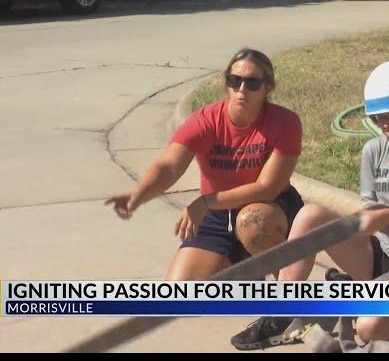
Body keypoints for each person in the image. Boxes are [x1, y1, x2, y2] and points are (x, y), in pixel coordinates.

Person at [231, 60, 389, 350]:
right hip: (380, 259)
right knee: (311, 215)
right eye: (377, 118)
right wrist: (361, 219)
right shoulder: (374, 150)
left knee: (367, 329)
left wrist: (386, 215)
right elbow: (370, 209)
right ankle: (285, 312)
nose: (383, 125)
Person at [105, 48, 304, 281]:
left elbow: (267, 187)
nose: (241, 90)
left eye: (252, 83)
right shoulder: (206, 120)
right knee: (180, 293)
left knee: (252, 223)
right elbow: (169, 165)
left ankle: (291, 299)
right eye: (235, 80)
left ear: (267, 87)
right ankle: (246, 264)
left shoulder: (285, 122)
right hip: (219, 214)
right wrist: (137, 197)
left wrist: (206, 202)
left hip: (270, 209)